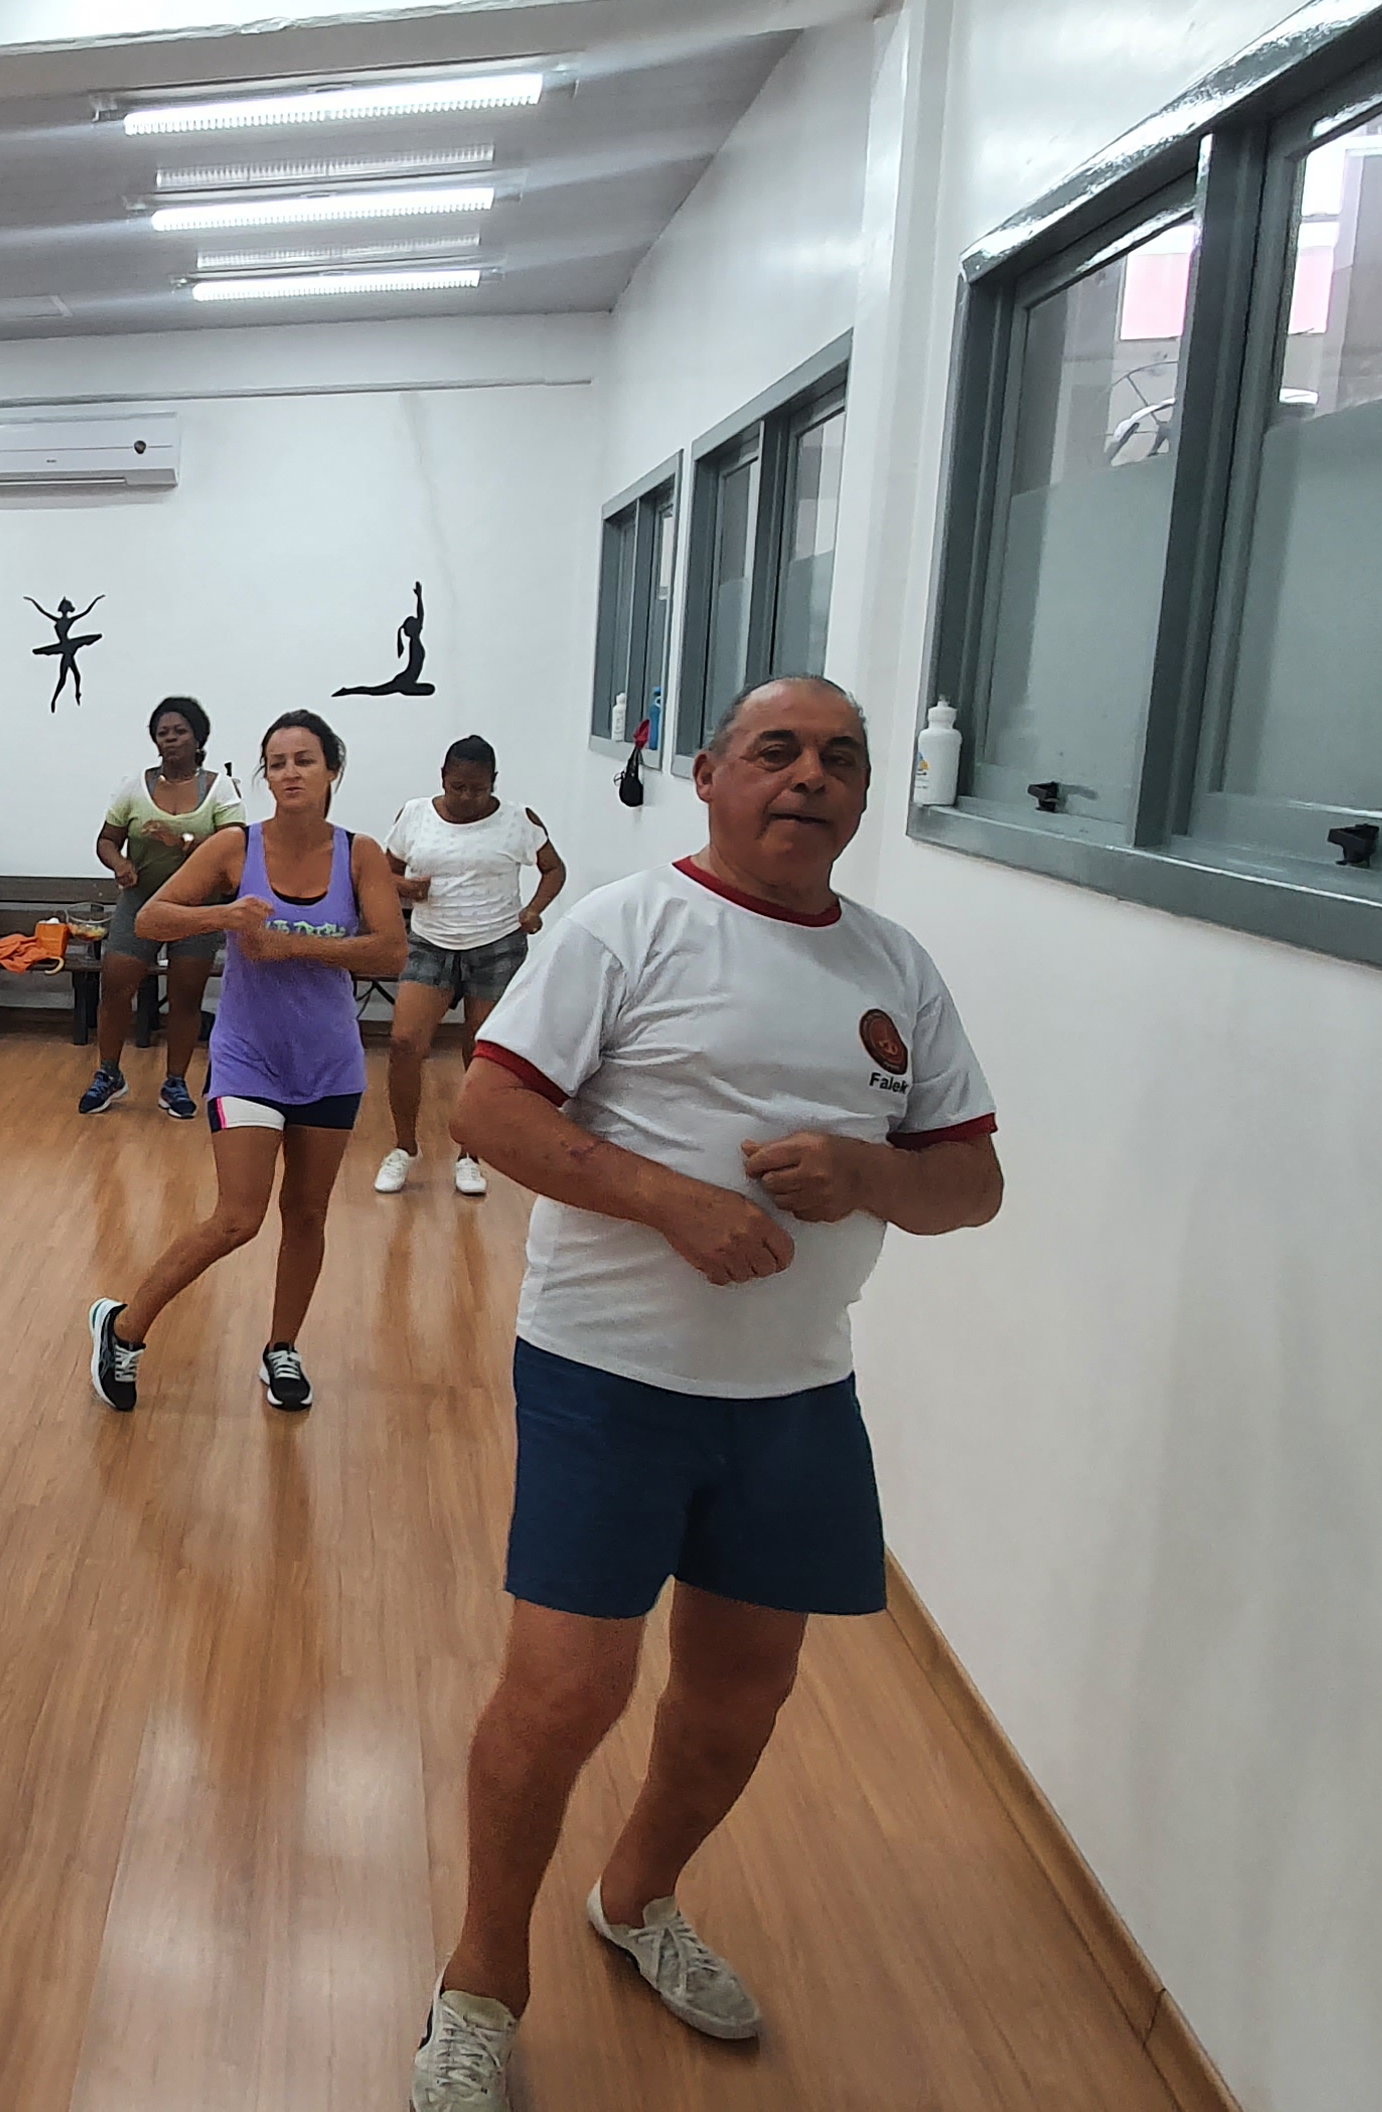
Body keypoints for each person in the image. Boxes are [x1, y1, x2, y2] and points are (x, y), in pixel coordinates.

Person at [403, 678, 1004, 2109]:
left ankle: (638, 1897)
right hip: (609, 1380)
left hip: (797, 1394)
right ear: (711, 775)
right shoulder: (626, 924)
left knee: (740, 1699)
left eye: (840, 759)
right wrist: (671, 1203)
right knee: (566, 1696)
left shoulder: (895, 968)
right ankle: (481, 1982)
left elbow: (971, 1183)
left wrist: (872, 1174)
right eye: (776, 751)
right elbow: (489, 1109)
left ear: (866, 798)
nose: (809, 778)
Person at [83, 713, 399, 1416]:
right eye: (277, 762)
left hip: (329, 1065)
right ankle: (125, 1328)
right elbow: (153, 919)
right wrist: (222, 918)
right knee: (238, 1218)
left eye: (305, 760)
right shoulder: (235, 847)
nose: (290, 773)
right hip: (248, 1060)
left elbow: (390, 953)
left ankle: (281, 1347)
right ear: (264, 776)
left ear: (331, 772)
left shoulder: (360, 854)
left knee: (308, 1214)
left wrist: (295, 946)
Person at [380, 735, 568, 1198]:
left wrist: (534, 909)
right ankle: (404, 1148)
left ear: (494, 783)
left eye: (478, 789)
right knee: (405, 1042)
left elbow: (553, 869)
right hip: (430, 941)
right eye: (458, 787)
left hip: (497, 945)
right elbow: (383, 872)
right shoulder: (415, 815)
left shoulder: (519, 821)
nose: (467, 797)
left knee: (481, 1054)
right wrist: (407, 889)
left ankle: (470, 1155)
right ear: (442, 779)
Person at [83, 695, 252, 1119]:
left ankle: (175, 1081)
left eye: (179, 732)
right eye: (163, 733)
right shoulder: (134, 786)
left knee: (185, 997)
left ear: (198, 738)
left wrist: (182, 843)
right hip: (141, 903)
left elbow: (234, 849)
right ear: (154, 741)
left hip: (197, 909)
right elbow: (106, 840)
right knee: (116, 988)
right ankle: (108, 1073)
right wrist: (120, 863)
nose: (171, 739)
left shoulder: (220, 789)